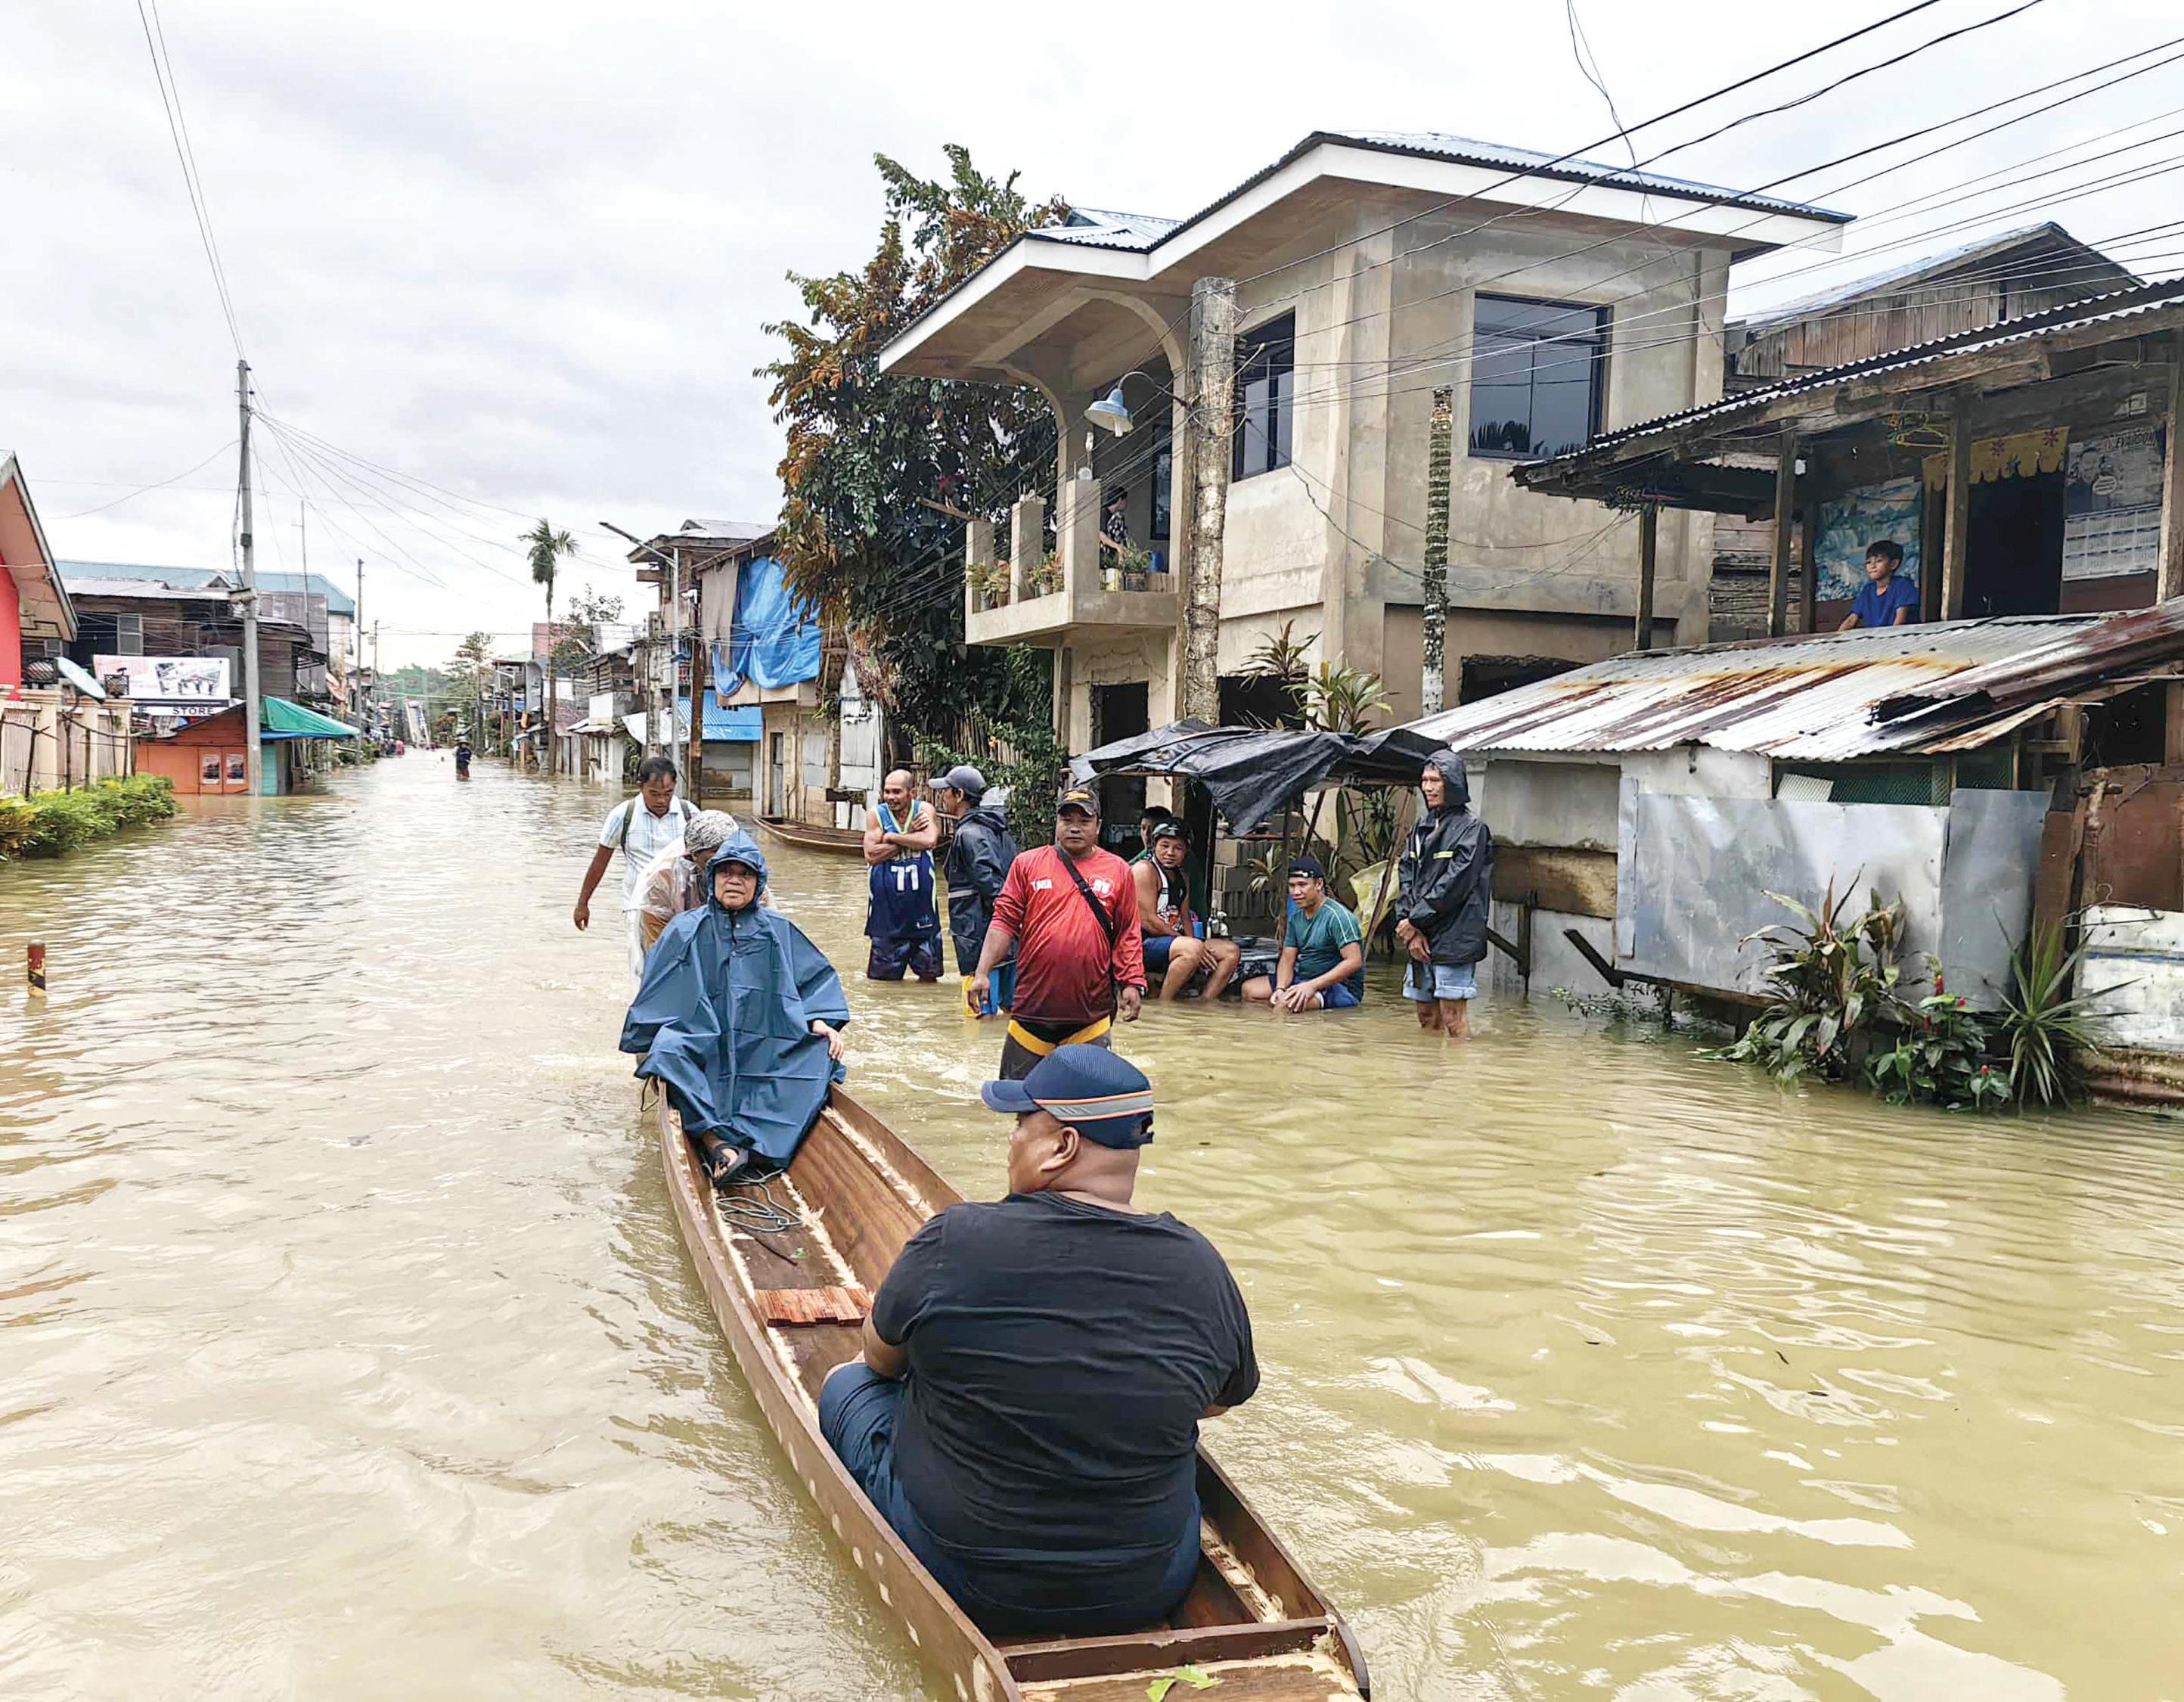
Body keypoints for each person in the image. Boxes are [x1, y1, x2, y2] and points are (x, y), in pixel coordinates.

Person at [817, 1045, 1255, 1638]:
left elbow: (880, 1358)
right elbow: (1217, 1402)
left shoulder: (957, 1237)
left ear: (1063, 1146)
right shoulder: (1202, 1265)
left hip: (968, 1576)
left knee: (845, 1382)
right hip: (1146, 1584)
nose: (1011, 1141)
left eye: (1021, 1125)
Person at [620, 830, 848, 1185]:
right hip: (702, 1039)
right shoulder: (684, 929)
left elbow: (813, 981)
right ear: (712, 878)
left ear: (758, 884)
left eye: (745, 875)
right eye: (727, 872)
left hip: (767, 1040)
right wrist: (659, 1033)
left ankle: (759, 1147)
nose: (735, 881)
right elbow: (657, 992)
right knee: (666, 1051)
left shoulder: (780, 930)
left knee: (820, 1054)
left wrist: (819, 1020)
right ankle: (716, 1142)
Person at [973, 786, 1145, 1079]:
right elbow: (1003, 922)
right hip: (1031, 1011)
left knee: (1087, 1100)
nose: (1075, 828)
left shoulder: (1119, 870)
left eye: (1084, 821)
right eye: (1067, 820)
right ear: (1056, 823)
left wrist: (1132, 982)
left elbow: (1128, 932)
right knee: (1018, 1097)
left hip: (1091, 1014)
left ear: (1098, 826)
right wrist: (982, 973)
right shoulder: (1027, 864)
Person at [575, 756, 697, 986]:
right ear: (640, 786)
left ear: (675, 787)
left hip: (684, 905)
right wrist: (583, 903)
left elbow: (707, 858)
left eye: (668, 793)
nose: (661, 800)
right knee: (647, 964)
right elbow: (600, 862)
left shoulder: (690, 814)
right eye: (654, 793)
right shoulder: (623, 816)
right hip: (641, 905)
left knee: (688, 962)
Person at [1396, 750, 1492, 1037]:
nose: (1428, 787)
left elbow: (1455, 884)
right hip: (1419, 934)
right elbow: (1406, 876)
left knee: (1452, 1017)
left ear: (1452, 783)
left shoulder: (1472, 830)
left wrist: (1415, 921)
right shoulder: (1420, 828)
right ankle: (1429, 1066)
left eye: (1435, 780)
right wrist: (1408, 926)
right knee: (1426, 1016)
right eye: (1425, 780)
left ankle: (1459, 1065)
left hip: (1455, 936)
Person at [934, 765, 1018, 1018]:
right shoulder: (998, 829)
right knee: (1012, 1008)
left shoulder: (969, 833)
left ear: (959, 795)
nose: (942, 796)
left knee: (979, 1013)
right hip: (1007, 937)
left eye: (946, 791)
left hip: (979, 936)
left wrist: (1002, 920)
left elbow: (990, 884)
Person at [1132, 821, 1241, 1002]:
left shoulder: (1182, 877)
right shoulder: (1144, 870)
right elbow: (1149, 921)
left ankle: (1204, 1002)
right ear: (1154, 846)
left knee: (1231, 952)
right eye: (1165, 846)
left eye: (1178, 848)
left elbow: (1185, 918)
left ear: (1186, 852)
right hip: (1142, 944)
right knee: (1192, 948)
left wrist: (1196, 945)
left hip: (1174, 941)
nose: (1170, 853)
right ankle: (1165, 1003)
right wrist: (1192, 945)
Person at [1241, 856, 1363, 1011]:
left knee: (1284, 1005)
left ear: (1319, 884)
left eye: (1302, 885)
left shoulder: (1338, 916)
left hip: (1338, 987)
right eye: (1292, 886)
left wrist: (1312, 986)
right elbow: (1287, 958)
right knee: (1250, 991)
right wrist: (1280, 988)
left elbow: (1354, 961)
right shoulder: (1296, 917)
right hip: (1305, 979)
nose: (1296, 892)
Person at [862, 768, 944, 983]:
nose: (891, 797)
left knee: (929, 982)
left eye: (897, 792)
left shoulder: (924, 809)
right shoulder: (876, 815)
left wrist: (890, 838)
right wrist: (909, 837)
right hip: (886, 918)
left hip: (923, 915)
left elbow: (929, 840)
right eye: (887, 791)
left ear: (912, 793)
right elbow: (871, 855)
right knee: (884, 987)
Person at [633, 807, 741, 953]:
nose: (725, 859)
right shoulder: (665, 881)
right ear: (694, 854)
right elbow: (656, 946)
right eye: (716, 851)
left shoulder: (750, 881)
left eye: (732, 851)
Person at [1837, 539, 1920, 630]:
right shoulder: (1867, 591)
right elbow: (1851, 620)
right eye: (1869, 562)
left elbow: (1900, 621)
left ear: (1894, 564)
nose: (1872, 566)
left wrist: (1889, 638)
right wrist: (1838, 637)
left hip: (1898, 636)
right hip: (1875, 636)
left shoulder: (1903, 585)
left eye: (1879, 561)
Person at [1096, 485, 1133, 561]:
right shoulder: (1104, 513)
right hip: (1104, 557)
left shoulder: (1118, 518)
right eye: (1125, 499)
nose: (1127, 503)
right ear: (1120, 500)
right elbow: (1102, 535)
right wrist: (1117, 546)